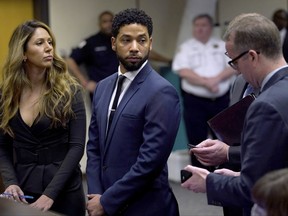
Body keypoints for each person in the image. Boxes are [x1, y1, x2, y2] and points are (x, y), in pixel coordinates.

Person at [181, 13, 288, 216]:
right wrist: (239, 173)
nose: (237, 72)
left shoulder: (265, 106)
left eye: (235, 63)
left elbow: (252, 189)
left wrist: (208, 181)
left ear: (252, 56)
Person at [86, 8, 181, 216]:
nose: (135, 48)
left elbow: (151, 162)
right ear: (113, 43)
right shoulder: (103, 86)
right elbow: (94, 146)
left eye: (142, 40)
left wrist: (107, 201)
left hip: (145, 206)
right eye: (126, 40)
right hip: (104, 202)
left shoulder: (162, 91)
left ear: (150, 43)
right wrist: (95, 194)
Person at [0, 20, 86, 216]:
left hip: (64, 189)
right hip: (24, 190)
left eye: (50, 42)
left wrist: (50, 195)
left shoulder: (70, 91)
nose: (48, 48)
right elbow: (2, 147)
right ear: (22, 53)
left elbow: (76, 147)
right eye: (39, 43)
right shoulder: (5, 95)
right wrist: (11, 183)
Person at [172, 13, 235, 170]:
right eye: (197, 25)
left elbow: (232, 66)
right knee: (197, 141)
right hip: (195, 102)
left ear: (210, 27)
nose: (200, 28)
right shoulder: (186, 48)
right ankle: (199, 173)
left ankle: (225, 173)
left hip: (221, 100)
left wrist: (216, 80)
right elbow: (183, 71)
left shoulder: (221, 45)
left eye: (203, 25)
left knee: (225, 139)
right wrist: (207, 83)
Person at [66, 11, 119, 100]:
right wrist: (85, 83)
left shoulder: (121, 40)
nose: (108, 24)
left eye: (111, 21)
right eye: (105, 21)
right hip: (101, 92)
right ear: (99, 24)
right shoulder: (91, 42)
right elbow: (69, 61)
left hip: (121, 89)